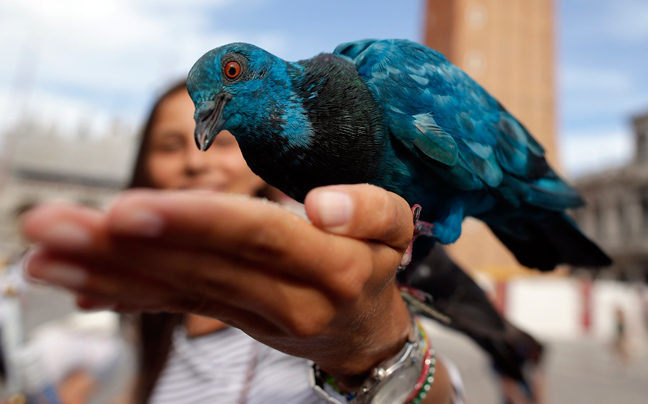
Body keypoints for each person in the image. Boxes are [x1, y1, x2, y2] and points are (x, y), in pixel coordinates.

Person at [20, 81, 462, 403]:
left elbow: (448, 395)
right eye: (170, 145)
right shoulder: (146, 316)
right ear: (144, 169)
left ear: (261, 160)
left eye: (225, 141)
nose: (197, 160)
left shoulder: (326, 265)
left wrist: (372, 343)